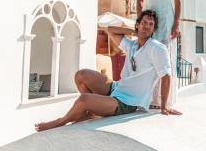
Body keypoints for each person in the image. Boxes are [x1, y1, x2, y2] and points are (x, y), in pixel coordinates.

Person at [34, 10, 181, 132]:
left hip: (127, 101)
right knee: (81, 75)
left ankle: (60, 122)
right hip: (117, 88)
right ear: (138, 24)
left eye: (150, 24)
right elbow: (110, 30)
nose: (147, 26)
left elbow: (166, 75)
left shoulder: (157, 48)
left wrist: (164, 105)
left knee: (84, 99)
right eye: (144, 23)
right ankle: (93, 110)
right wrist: (136, 31)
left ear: (154, 29)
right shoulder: (132, 44)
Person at [137, 0, 181, 108]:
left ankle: (162, 101)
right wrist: (139, 19)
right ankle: (146, 98)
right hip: (148, 18)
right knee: (147, 56)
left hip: (165, 18)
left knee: (163, 57)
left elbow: (177, 1)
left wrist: (176, 23)